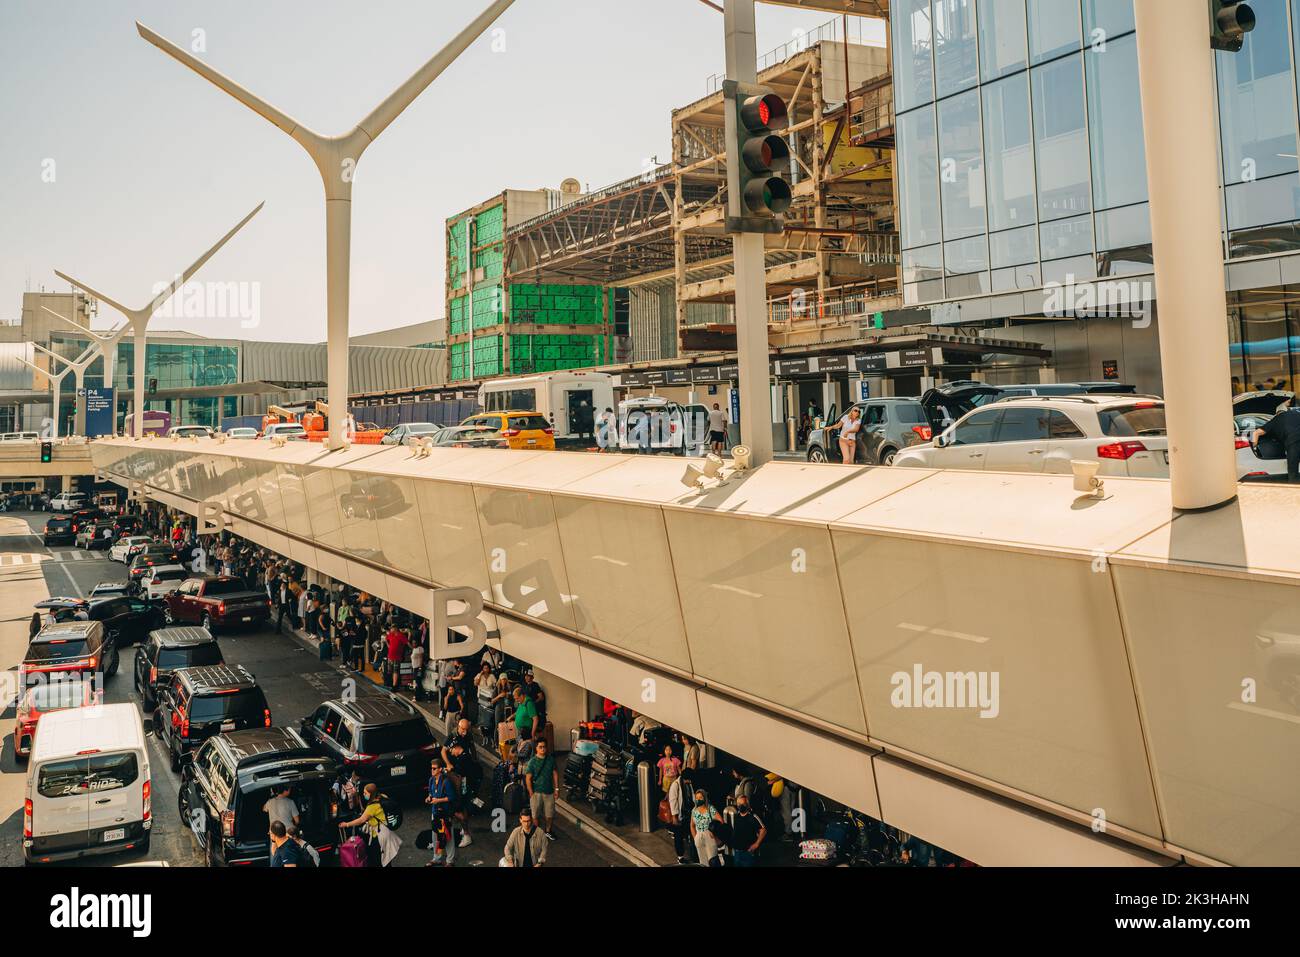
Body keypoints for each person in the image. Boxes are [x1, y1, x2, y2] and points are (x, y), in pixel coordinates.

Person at [1252, 395, 1300, 483]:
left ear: (1277, 413)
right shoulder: (1296, 413)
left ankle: (1294, 491)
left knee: (1293, 475)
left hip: (1293, 443)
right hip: (1294, 440)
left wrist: (1254, 447)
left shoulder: (1276, 420)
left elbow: (1256, 433)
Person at [340, 783, 387, 867]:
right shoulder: (382, 797)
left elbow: (361, 820)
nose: (363, 795)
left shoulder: (372, 806)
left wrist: (346, 824)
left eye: (365, 793)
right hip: (386, 831)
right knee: (385, 858)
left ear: (371, 793)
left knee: (378, 859)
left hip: (378, 835)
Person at [524, 737, 559, 841]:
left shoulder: (551, 760)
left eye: (544, 747)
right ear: (536, 748)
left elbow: (555, 774)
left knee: (550, 814)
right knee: (535, 815)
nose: (543, 749)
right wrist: (531, 792)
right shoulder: (532, 762)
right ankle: (537, 833)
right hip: (536, 792)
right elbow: (528, 778)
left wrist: (557, 789)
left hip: (549, 792)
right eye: (540, 747)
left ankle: (548, 831)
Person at [425, 758, 457, 866]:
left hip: (445, 813)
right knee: (436, 836)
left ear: (440, 769)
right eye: (431, 768)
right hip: (435, 812)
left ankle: (450, 861)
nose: (432, 770)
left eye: (434, 768)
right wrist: (429, 798)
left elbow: (451, 797)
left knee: (448, 836)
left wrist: (438, 800)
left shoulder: (446, 782)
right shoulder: (431, 780)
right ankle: (437, 857)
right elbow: (430, 793)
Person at [689, 789, 724, 867]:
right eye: (697, 798)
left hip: (709, 836)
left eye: (700, 797)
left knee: (713, 860)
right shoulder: (694, 810)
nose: (698, 800)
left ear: (704, 798)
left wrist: (714, 832)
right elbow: (692, 825)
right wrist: (695, 837)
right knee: (703, 862)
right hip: (699, 836)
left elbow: (721, 821)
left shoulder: (710, 809)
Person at [730, 795, 767, 867]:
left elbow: (764, 830)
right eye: (739, 804)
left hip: (748, 853)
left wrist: (756, 844)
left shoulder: (753, 816)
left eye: (743, 804)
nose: (741, 806)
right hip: (737, 852)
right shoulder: (736, 816)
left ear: (747, 804)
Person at [384, 623, 409, 690]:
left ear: (395, 628)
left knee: (395, 671)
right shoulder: (390, 634)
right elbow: (386, 639)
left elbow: (407, 643)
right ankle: (391, 684)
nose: (391, 629)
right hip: (390, 656)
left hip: (397, 656)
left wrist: (413, 649)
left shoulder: (401, 635)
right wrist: (388, 645)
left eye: (392, 628)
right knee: (390, 671)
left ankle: (394, 685)